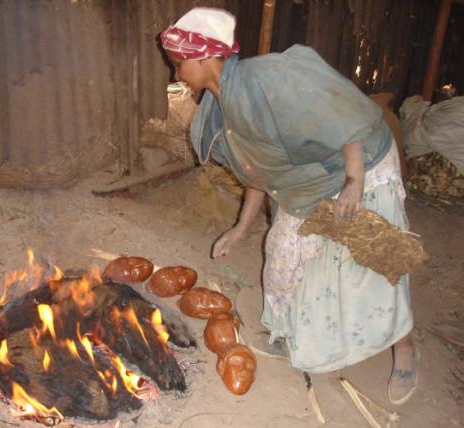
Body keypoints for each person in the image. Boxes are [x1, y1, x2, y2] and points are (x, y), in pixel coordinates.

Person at [160, 7, 418, 405]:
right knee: (282, 254)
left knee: (375, 260)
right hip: (308, 181)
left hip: (357, 162)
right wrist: (240, 229)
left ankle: (405, 350)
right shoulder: (218, 110)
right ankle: (290, 335)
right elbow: (260, 174)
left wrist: (354, 180)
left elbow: (340, 109)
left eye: (179, 64)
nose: (177, 74)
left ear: (203, 57)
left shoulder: (269, 78)